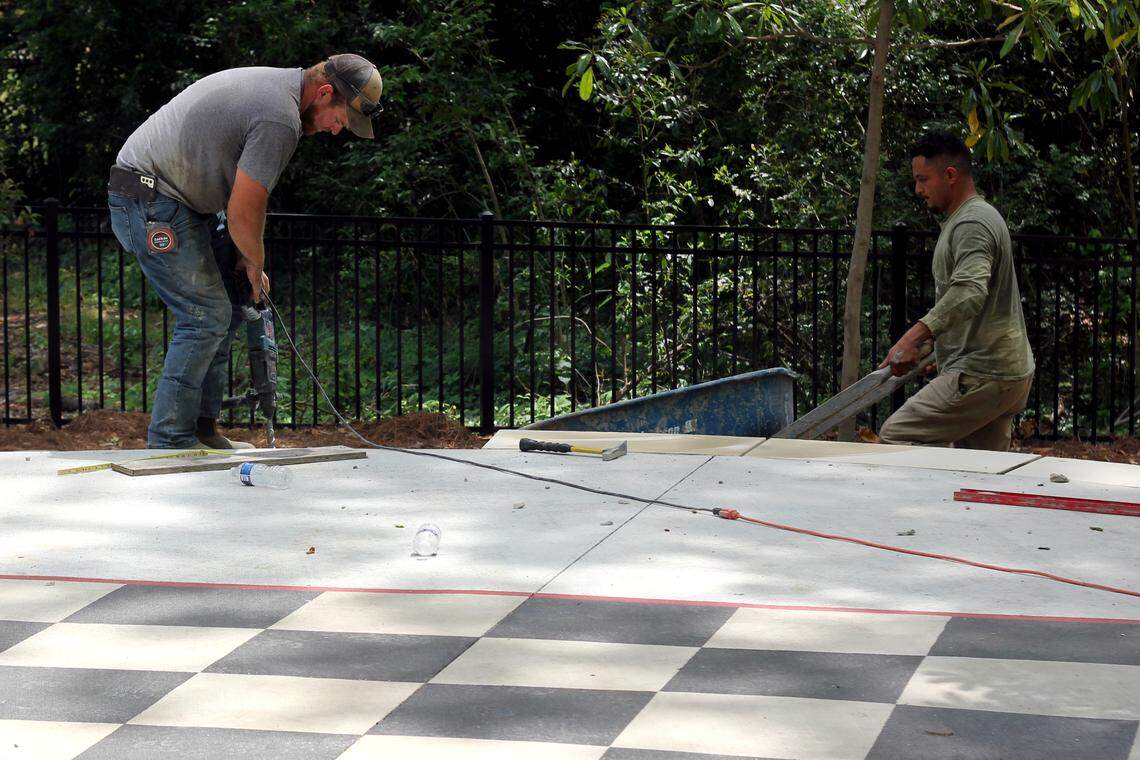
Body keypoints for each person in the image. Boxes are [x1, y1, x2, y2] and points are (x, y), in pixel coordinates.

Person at [107, 54, 383, 449]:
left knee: (232, 303)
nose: (337, 131)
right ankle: (169, 440)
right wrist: (255, 261)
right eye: (340, 119)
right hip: (149, 201)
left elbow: (245, 193)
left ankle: (201, 430)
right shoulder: (279, 118)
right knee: (205, 316)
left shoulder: (278, 92)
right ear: (324, 93)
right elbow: (244, 208)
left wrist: (244, 258)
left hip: (177, 200)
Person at [877, 130, 1034, 451]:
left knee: (897, 435)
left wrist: (912, 338)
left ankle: (921, 502)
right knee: (979, 470)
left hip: (982, 373)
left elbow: (969, 292)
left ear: (950, 175)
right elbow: (976, 298)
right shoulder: (974, 217)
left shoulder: (971, 224)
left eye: (923, 179)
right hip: (1003, 371)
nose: (918, 189)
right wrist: (941, 345)